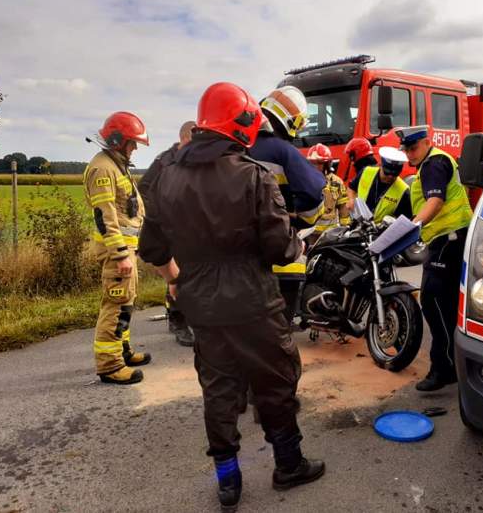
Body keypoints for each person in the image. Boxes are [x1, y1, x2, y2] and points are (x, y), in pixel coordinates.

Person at [138, 82, 325, 511]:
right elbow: (280, 248)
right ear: (240, 126)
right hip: (254, 302)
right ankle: (288, 465)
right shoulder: (252, 176)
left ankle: (228, 481)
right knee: (275, 382)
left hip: (200, 304)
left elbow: (152, 248)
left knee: (219, 389)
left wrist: (175, 279)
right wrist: (299, 244)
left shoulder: (166, 177)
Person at [398, 126, 473, 392]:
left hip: (447, 240)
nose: (409, 154)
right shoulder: (429, 165)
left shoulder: (434, 163)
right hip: (450, 240)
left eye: (413, 148)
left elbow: (435, 202)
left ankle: (443, 369)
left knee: (432, 301)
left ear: (427, 142)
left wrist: (412, 227)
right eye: (406, 149)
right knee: (448, 305)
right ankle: (454, 365)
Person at [83, 111, 152, 385]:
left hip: (126, 250)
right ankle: (110, 366)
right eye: (132, 143)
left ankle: (121, 352)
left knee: (125, 303)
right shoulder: (103, 168)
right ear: (117, 140)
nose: (134, 148)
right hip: (118, 252)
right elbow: (105, 216)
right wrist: (120, 254)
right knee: (115, 305)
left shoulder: (115, 164)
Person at [249, 85, 326, 323]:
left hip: (239, 264)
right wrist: (298, 219)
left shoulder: (236, 147)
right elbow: (314, 192)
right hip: (281, 260)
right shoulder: (282, 151)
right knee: (278, 334)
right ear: (291, 121)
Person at [139, 120, 196, 347]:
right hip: (169, 227)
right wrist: (161, 216)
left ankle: (194, 317)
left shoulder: (192, 158)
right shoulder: (165, 160)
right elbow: (144, 189)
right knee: (176, 275)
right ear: (183, 139)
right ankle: (178, 321)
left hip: (190, 226)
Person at [347, 146, 411, 223]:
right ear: (380, 165)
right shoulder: (366, 172)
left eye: (394, 174)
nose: (390, 177)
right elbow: (351, 187)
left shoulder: (404, 191)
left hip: (380, 232)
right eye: (387, 172)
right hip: (357, 223)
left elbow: (405, 220)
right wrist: (351, 199)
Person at [306, 143, 349, 238]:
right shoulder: (303, 180)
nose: (315, 167)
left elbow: (342, 207)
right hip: (308, 234)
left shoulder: (336, 182)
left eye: (319, 163)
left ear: (327, 164)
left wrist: (345, 228)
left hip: (329, 235)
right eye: (312, 163)